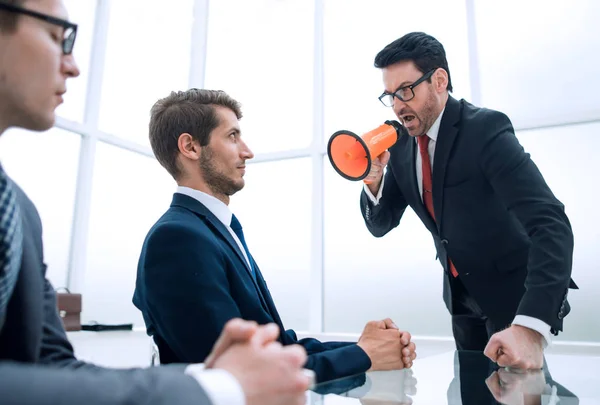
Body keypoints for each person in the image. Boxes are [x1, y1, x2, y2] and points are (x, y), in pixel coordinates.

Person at [0, 1, 311, 404]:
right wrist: (218, 386)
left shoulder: (22, 214)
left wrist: (222, 379)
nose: (73, 65)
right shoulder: (177, 237)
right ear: (190, 147)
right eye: (57, 36)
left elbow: (50, 365)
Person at [132, 88, 417, 384]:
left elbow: (277, 347)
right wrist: (366, 355)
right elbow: (234, 371)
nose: (247, 151)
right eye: (232, 136)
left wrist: (368, 348)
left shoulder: (211, 231)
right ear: (190, 147)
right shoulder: (177, 240)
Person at [358, 32, 577, 369]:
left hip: (513, 297)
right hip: (460, 298)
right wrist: (373, 181)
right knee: (469, 392)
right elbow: (381, 224)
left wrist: (531, 326)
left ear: (439, 80)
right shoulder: (401, 145)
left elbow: (551, 224)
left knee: (522, 393)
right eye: (390, 95)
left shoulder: (485, 130)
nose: (399, 105)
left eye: (405, 90)